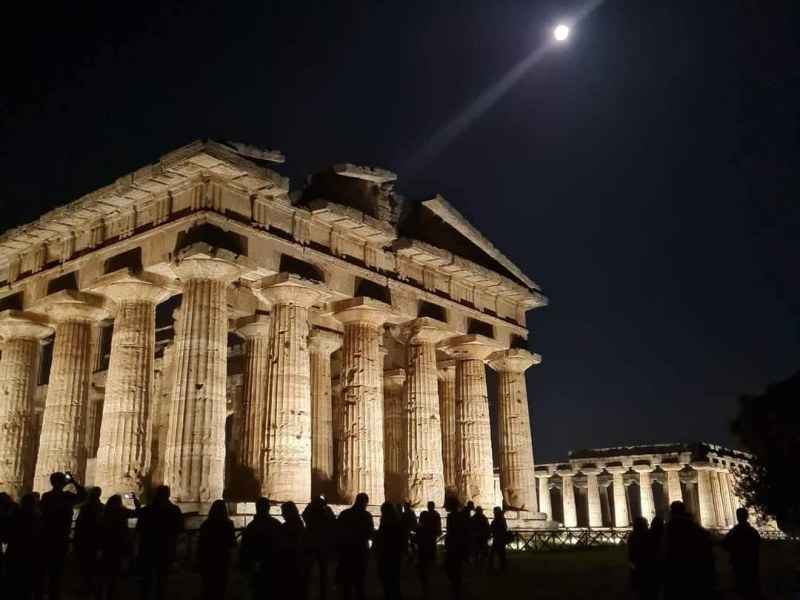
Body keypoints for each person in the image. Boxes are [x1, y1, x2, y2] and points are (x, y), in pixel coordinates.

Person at [41, 471, 87, 600]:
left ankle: (44, 591)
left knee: (46, 566)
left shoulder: (46, 496)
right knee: (57, 567)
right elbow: (83, 496)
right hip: (60, 536)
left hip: (48, 535)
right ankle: (54, 592)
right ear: (63, 482)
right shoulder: (66, 497)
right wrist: (73, 482)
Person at [136, 485, 184, 600]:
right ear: (168, 495)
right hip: (166, 548)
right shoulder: (174, 510)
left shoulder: (146, 510)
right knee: (162, 580)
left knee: (146, 579)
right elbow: (180, 529)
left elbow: (139, 528)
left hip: (148, 547)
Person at [664, 501, 715, 600]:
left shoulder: (668, 529)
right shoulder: (694, 528)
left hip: (677, 570)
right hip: (692, 570)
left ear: (672, 513)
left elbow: (666, 550)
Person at [97, 493, 141, 600]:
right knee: (113, 573)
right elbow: (137, 512)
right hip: (117, 546)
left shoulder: (104, 514)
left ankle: (99, 595)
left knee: (102, 574)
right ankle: (111, 594)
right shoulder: (122, 512)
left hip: (106, 548)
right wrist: (134, 499)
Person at [240, 497, 281, 600]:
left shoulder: (251, 526)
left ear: (257, 508)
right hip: (273, 565)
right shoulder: (276, 524)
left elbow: (245, 547)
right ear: (268, 508)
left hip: (257, 565)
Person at [336, 492, 374, 600]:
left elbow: (338, 531)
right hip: (360, 551)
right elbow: (370, 533)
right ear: (365, 503)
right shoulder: (366, 516)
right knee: (360, 582)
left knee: (347, 583)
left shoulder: (344, 514)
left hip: (346, 551)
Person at [197, 499, 237, 600]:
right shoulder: (228, 524)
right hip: (222, 559)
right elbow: (232, 543)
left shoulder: (206, 525)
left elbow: (201, 543)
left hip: (208, 559)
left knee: (208, 586)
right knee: (220, 587)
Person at [6, 493, 43, 600]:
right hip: (29, 552)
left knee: (15, 580)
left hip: (16, 551)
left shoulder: (15, 516)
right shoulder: (36, 517)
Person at [722, 508, 761, 599]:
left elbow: (725, 544)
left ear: (737, 517)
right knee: (752, 586)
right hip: (752, 562)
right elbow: (758, 544)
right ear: (747, 517)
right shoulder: (753, 532)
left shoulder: (735, 531)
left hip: (739, 563)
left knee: (742, 589)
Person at [302, 495, 337, 600]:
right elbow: (333, 522)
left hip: (311, 544)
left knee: (308, 572)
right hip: (323, 545)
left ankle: (304, 593)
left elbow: (304, 515)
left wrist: (312, 504)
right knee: (323, 572)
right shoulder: (326, 512)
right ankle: (323, 594)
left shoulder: (310, 513)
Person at [74, 486, 104, 597]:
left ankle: (86, 586)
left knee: (85, 565)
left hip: (85, 539)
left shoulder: (85, 507)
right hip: (93, 540)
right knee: (91, 564)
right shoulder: (100, 507)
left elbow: (79, 524)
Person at [278, 501, 308, 600]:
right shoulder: (300, 526)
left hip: (289, 565)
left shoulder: (285, 528)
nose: (282, 514)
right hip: (299, 564)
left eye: (283, 512)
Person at [375, 502, 404, 600]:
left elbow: (380, 539)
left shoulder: (385, 524)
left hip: (385, 555)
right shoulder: (398, 523)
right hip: (395, 555)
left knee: (387, 580)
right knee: (393, 579)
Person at [444, 497, 470, 600]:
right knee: (455, 567)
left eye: (447, 504)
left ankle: (457, 587)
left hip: (455, 544)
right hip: (457, 544)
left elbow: (453, 531)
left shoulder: (454, 516)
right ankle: (456, 586)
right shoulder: (457, 515)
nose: (445, 506)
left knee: (452, 567)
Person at [416, 501, 442, 599]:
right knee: (431, 549)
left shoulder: (428, 515)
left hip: (427, 538)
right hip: (431, 536)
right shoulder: (435, 514)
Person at [628, 516, 657, 600]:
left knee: (642, 592)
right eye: (646, 524)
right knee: (650, 591)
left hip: (638, 567)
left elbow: (631, 553)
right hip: (647, 567)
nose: (648, 526)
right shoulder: (648, 535)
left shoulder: (632, 536)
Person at [489, 507, 508, 572]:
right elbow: (504, 528)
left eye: (494, 511)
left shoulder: (497, 520)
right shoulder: (502, 519)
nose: (494, 513)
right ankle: (502, 567)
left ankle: (492, 567)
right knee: (501, 554)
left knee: (493, 553)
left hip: (498, 539)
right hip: (501, 539)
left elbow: (493, 529)